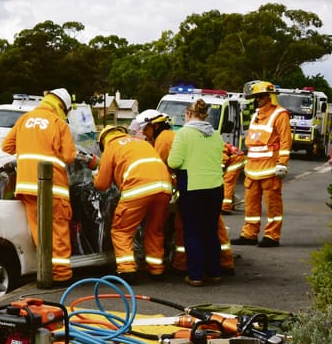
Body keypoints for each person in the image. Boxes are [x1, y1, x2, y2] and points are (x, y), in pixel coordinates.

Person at [2, 88, 77, 283]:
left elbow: (6, 147)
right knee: (58, 229)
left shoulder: (24, 119)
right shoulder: (59, 123)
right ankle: (61, 274)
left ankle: (46, 271)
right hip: (54, 187)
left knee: (39, 230)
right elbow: (69, 157)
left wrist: (30, 146)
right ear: (61, 106)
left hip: (26, 185)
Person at [91, 125, 173, 282]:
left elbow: (102, 184)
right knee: (154, 230)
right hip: (164, 187)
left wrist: (95, 174)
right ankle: (156, 269)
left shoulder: (111, 147)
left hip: (138, 187)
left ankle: (127, 271)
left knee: (122, 230)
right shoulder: (141, 142)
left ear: (103, 141)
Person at [167, 98, 225, 287]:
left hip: (193, 188)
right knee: (210, 230)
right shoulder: (216, 134)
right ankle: (214, 272)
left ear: (188, 114)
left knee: (193, 232)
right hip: (215, 188)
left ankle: (196, 275)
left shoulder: (183, 134)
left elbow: (174, 162)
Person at [233, 81, 292, 248]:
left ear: (269, 96)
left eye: (260, 96)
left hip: (270, 169)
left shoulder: (280, 115)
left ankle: (272, 236)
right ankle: (249, 234)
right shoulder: (255, 115)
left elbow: (285, 141)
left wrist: (282, 163)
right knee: (250, 204)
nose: (257, 100)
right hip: (252, 169)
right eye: (255, 97)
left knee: (273, 205)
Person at [221, 143, 246, 214]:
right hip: (236, 158)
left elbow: (224, 159)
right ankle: (229, 203)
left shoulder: (215, 146)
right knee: (227, 182)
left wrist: (220, 169)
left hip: (236, 160)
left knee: (228, 182)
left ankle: (225, 208)